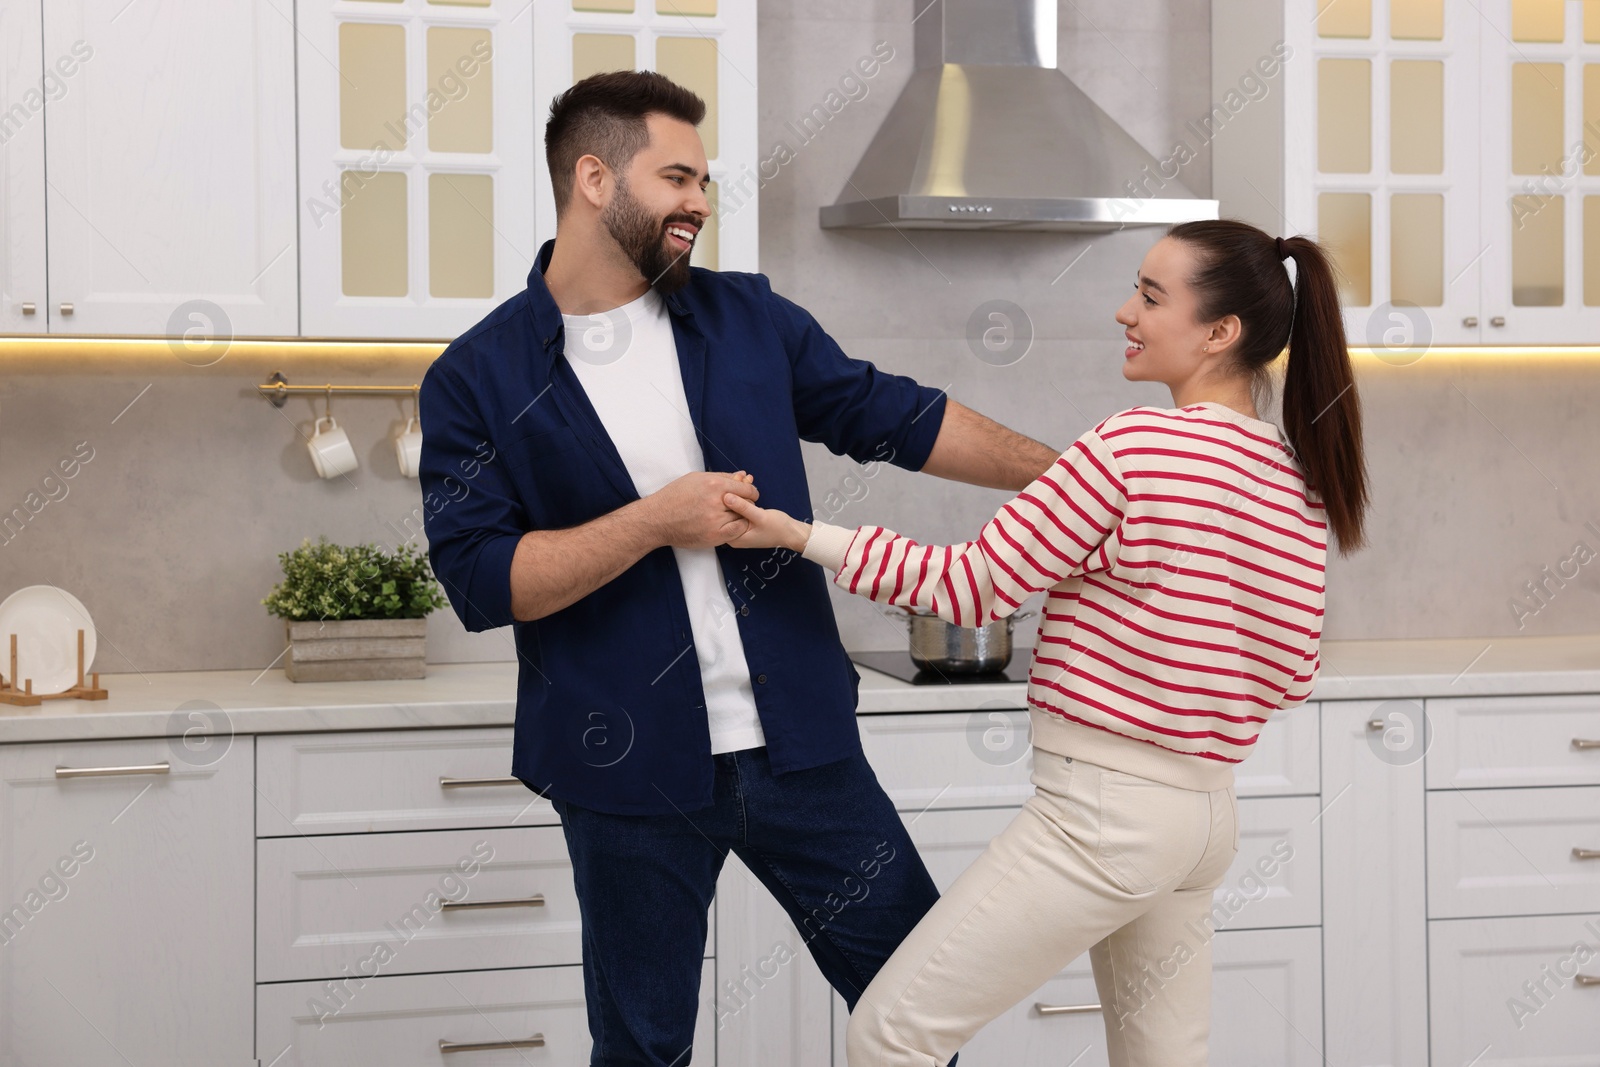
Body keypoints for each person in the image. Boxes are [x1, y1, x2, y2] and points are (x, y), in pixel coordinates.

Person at [418, 70, 1059, 1066]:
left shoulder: (746, 319)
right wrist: (650, 521)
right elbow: (482, 581)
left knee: (923, 1007)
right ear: (594, 177)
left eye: (705, 182)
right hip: (624, 767)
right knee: (642, 1045)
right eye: (677, 177)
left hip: (802, 745)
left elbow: (898, 417)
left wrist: (1081, 476)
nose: (700, 204)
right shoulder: (478, 375)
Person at [721, 219, 1370, 1067]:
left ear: (1220, 333)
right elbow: (1289, 678)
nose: (1121, 311)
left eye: (1148, 294)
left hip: (1105, 813)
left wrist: (798, 535)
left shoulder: (1134, 447)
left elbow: (970, 587)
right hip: (1205, 819)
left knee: (889, 1034)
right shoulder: (1296, 478)